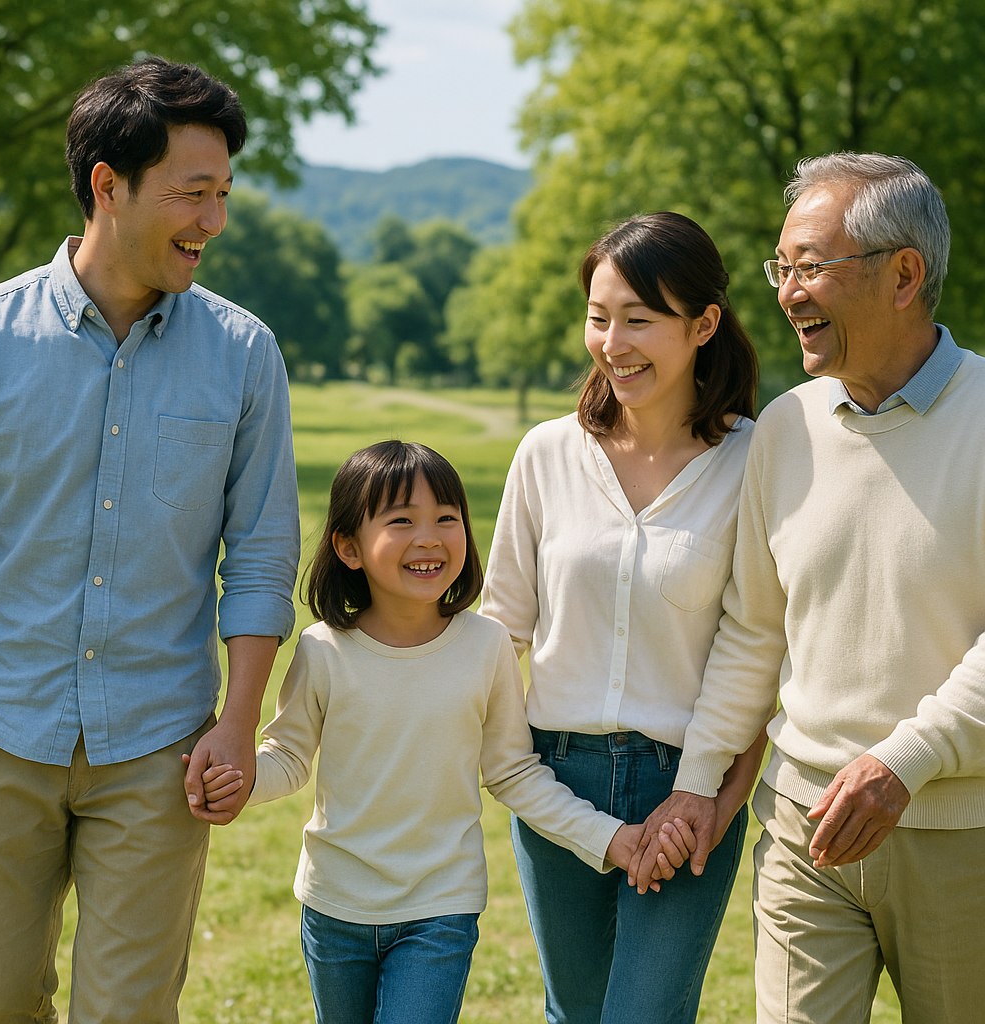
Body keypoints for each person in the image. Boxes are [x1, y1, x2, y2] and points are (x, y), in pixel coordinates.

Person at [0, 58, 300, 1021]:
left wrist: (238, 723)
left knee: (128, 1013)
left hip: (159, 745)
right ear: (108, 185)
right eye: (192, 194)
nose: (214, 221)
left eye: (224, 193)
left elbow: (265, 553)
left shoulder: (244, 355)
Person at [632, 153, 985, 1024]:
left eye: (812, 267)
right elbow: (754, 630)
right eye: (782, 267)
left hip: (962, 839)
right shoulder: (786, 428)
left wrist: (904, 764)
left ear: (905, 274)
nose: (788, 291)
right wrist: (701, 780)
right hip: (802, 829)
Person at [202, 440, 647, 1024]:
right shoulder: (323, 650)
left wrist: (605, 837)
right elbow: (287, 756)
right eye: (401, 521)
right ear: (348, 547)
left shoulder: (486, 646)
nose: (429, 537)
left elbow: (514, 771)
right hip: (335, 907)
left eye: (447, 518)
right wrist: (236, 781)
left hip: (441, 908)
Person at [478, 212, 765, 1024]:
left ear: (703, 324)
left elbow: (754, 644)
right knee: (573, 1013)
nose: (613, 342)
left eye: (640, 319)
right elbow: (502, 628)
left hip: (685, 784)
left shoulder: (756, 460)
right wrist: (515, 773)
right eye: (599, 318)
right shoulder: (545, 453)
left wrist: (703, 794)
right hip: (554, 777)